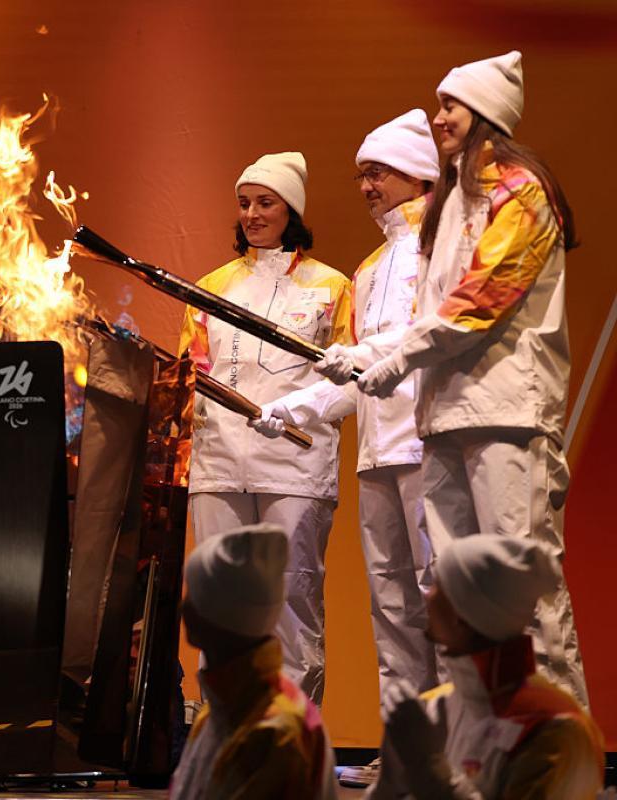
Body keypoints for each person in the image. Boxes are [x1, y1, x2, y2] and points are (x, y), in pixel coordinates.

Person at [342, 51, 589, 706]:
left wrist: (396, 359)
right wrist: (368, 354)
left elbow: (480, 303)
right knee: (460, 602)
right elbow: (429, 314)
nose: (437, 117)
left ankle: (557, 745)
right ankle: (479, 741)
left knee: (522, 592)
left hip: (507, 415)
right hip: (444, 418)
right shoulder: (449, 204)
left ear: (484, 113)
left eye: (449, 105)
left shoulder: (521, 191)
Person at [250, 112, 442, 787]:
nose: (366, 186)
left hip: (431, 447)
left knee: (441, 602)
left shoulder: (443, 247)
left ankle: (459, 749)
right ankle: (407, 752)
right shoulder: (368, 268)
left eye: (379, 173)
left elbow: (424, 339)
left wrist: (354, 360)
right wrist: (292, 407)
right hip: (378, 456)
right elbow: (354, 379)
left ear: (419, 173)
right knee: (392, 610)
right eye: (362, 174)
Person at [179, 152, 353, 704]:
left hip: (295, 465)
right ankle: (224, 729)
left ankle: (291, 731)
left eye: (265, 203)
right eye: (244, 203)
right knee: (220, 603)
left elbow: (352, 382)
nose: (252, 214)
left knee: (291, 601)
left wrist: (299, 414)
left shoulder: (332, 287)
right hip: (218, 463)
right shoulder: (209, 287)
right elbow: (191, 373)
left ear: (291, 210)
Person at [366, 535, 604, 799]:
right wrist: (390, 783)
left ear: (461, 613)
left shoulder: (559, 728)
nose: (427, 596)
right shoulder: (435, 708)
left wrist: (428, 768)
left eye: (438, 586)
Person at [171, 523, 336, 800]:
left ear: (222, 615)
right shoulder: (221, 710)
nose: (183, 608)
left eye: (195, 597)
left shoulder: (273, 729)